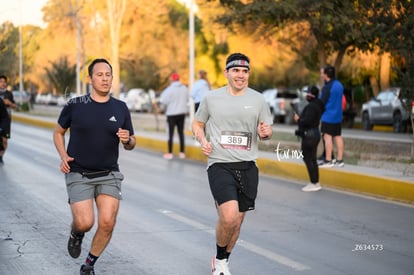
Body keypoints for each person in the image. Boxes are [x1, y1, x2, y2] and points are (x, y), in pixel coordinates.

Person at [192, 52, 273, 275]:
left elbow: (265, 130)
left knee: (237, 222)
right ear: (226, 73)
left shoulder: (258, 99)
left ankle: (223, 260)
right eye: (236, 70)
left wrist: (266, 132)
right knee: (228, 216)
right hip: (220, 163)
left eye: (245, 71)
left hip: (248, 165)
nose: (240, 75)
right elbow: (197, 123)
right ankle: (219, 262)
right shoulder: (211, 98)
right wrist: (203, 139)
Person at [53, 58, 136, 275]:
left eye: (108, 74)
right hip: (78, 172)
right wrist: (63, 156)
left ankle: (88, 264)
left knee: (107, 222)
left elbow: (131, 143)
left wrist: (127, 140)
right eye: (99, 74)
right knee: (85, 222)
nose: (105, 78)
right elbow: (58, 132)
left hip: (109, 173)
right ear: (90, 79)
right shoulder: (75, 105)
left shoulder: (120, 107)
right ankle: (76, 233)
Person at [294, 86, 325, 192]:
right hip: (315, 134)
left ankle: (314, 182)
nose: (306, 95)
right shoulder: (318, 105)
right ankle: (315, 182)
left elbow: (307, 122)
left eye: (308, 93)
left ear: (311, 94)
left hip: (310, 135)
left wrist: (298, 120)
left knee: (308, 158)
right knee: (312, 159)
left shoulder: (311, 107)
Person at [318, 65, 345, 168]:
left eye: (322, 73)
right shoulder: (339, 85)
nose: (321, 75)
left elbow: (321, 101)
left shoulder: (327, 87)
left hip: (328, 116)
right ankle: (340, 160)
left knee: (327, 137)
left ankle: (328, 160)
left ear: (326, 74)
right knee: (338, 136)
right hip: (338, 116)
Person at [160, 72, 189, 160]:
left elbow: (164, 101)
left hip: (171, 114)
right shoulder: (184, 88)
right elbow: (187, 99)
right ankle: (182, 153)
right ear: (179, 79)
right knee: (181, 133)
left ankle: (170, 153)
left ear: (172, 79)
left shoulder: (169, 90)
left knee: (170, 133)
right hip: (182, 113)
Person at [0, 75, 16, 164]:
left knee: (5, 141)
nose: (3, 83)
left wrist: (9, 103)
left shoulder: (9, 94)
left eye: (4, 82)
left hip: (6, 120)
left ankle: (1, 156)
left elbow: (15, 106)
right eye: (1, 81)